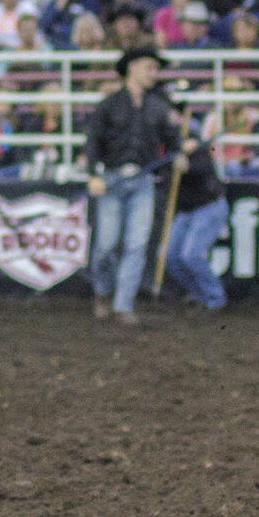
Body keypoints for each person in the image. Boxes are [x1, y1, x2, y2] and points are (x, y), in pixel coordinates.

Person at [83, 47, 177, 325]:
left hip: (142, 181)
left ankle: (123, 305)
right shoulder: (109, 105)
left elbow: (172, 140)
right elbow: (92, 141)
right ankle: (103, 292)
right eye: (150, 67)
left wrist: (180, 152)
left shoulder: (159, 106)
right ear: (133, 68)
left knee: (136, 245)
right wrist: (93, 174)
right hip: (112, 179)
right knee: (106, 245)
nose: (154, 73)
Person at [163, 116, 228, 313]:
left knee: (191, 255)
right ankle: (200, 294)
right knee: (169, 257)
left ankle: (215, 298)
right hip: (185, 210)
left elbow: (203, 169)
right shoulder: (168, 153)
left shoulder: (200, 151)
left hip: (208, 207)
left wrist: (187, 164)